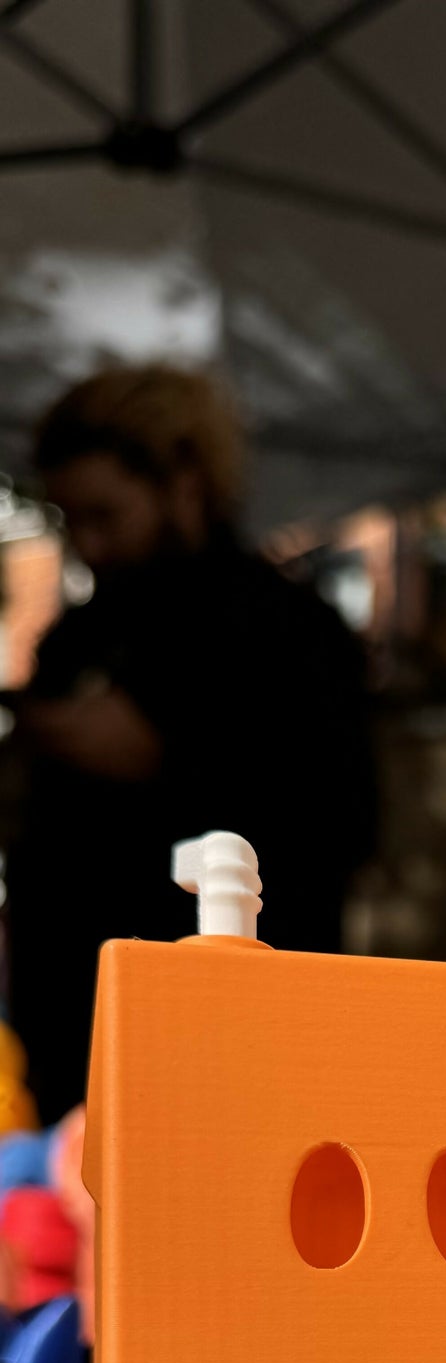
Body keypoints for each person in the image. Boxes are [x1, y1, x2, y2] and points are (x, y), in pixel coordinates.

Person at [7, 366, 376, 1123]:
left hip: (238, 1050)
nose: (89, 544)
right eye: (72, 519)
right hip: (75, 1051)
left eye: (107, 514)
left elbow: (344, 824)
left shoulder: (285, 632)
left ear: (183, 481)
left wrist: (158, 756)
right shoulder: (78, 638)